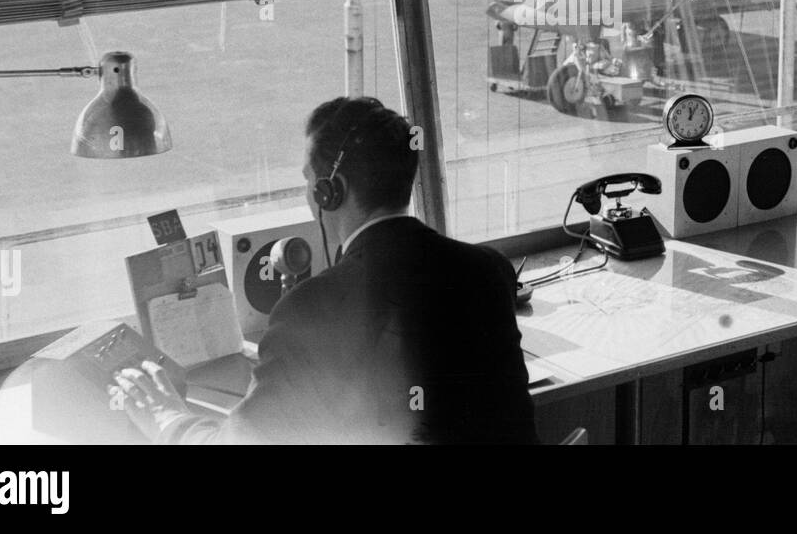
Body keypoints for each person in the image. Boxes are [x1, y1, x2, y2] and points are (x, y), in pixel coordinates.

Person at [114, 96, 538, 444]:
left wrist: (169, 419)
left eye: (308, 180)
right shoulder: (487, 270)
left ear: (329, 192)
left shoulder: (310, 309)